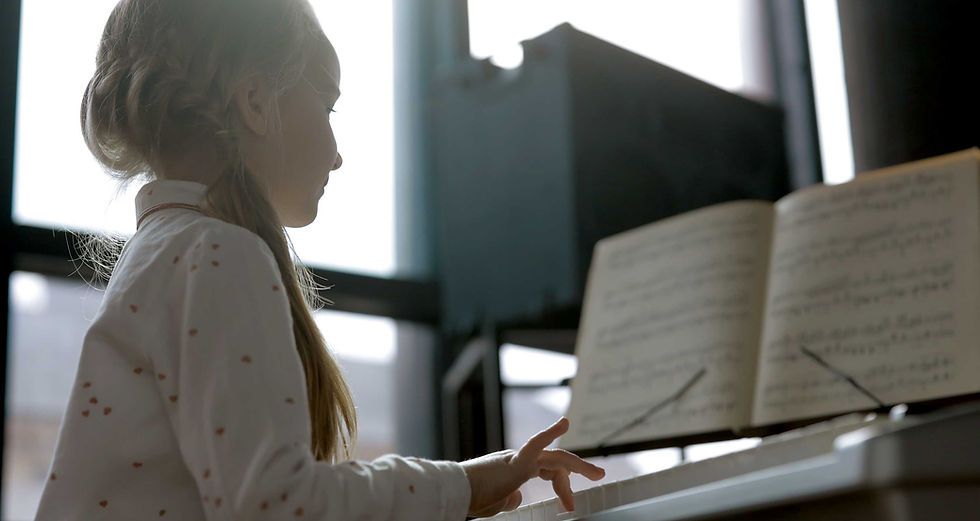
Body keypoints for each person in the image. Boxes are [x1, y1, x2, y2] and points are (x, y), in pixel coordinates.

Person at [34, 0, 605, 519]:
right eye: (329, 105)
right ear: (256, 102)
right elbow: (278, 505)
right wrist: (461, 485)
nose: (338, 155)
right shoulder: (218, 253)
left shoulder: (164, 251)